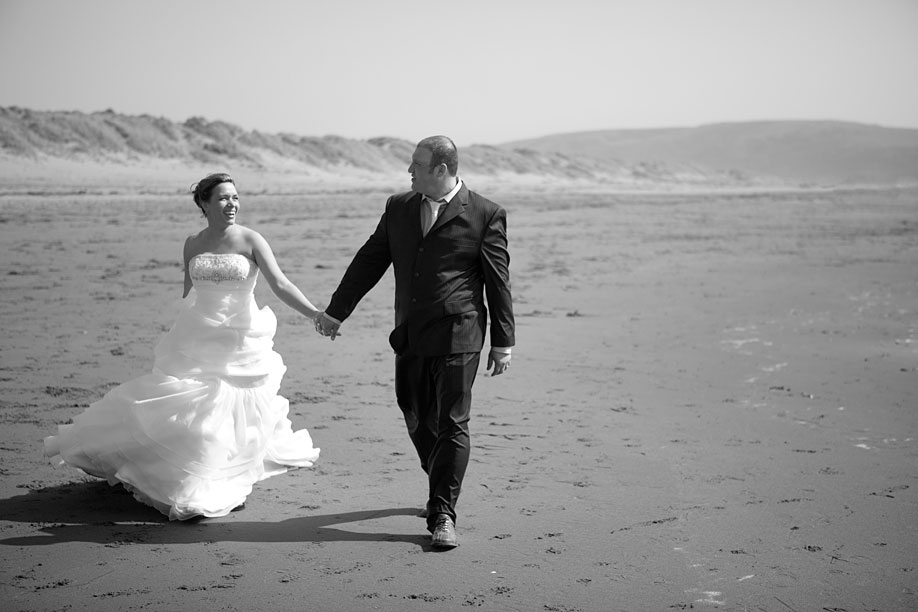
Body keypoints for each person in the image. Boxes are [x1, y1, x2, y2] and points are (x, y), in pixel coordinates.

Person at [44, 173, 321, 520]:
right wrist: (183, 335)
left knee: (229, 399)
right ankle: (174, 463)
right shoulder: (192, 243)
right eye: (222, 198)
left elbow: (280, 283)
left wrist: (315, 314)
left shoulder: (251, 239)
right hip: (197, 335)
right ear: (204, 204)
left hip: (239, 336)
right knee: (182, 397)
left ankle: (223, 460)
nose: (232, 204)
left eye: (235, 197)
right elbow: (188, 293)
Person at [315, 136, 515, 549]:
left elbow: (498, 281)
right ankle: (440, 476)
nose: (409, 171)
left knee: (452, 422)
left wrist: (503, 341)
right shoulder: (399, 207)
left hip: (460, 333)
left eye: (417, 165)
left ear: (441, 170)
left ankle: (442, 513)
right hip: (409, 332)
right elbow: (370, 259)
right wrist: (337, 310)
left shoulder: (485, 213)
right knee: (414, 413)